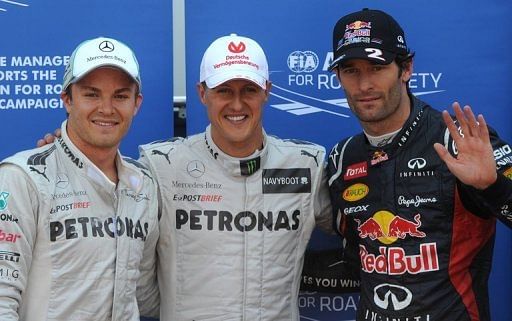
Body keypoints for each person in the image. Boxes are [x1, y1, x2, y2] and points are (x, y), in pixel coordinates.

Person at [312, 8, 512, 321]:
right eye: (351, 70)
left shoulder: (458, 141)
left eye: (377, 67)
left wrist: (494, 188)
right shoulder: (342, 157)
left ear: (405, 68)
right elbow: (356, 260)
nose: (364, 84)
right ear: (337, 76)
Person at [137, 33, 333, 320]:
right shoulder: (162, 165)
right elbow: (126, 256)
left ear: (267, 90)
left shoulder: (306, 165)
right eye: (224, 90)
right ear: (202, 93)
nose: (237, 104)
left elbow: (360, 227)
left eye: (249, 90)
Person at [0, 37, 159, 321]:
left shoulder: (144, 183)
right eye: (92, 94)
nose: (107, 109)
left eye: (121, 96)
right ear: (67, 100)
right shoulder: (22, 178)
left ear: (137, 103)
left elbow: (146, 294)